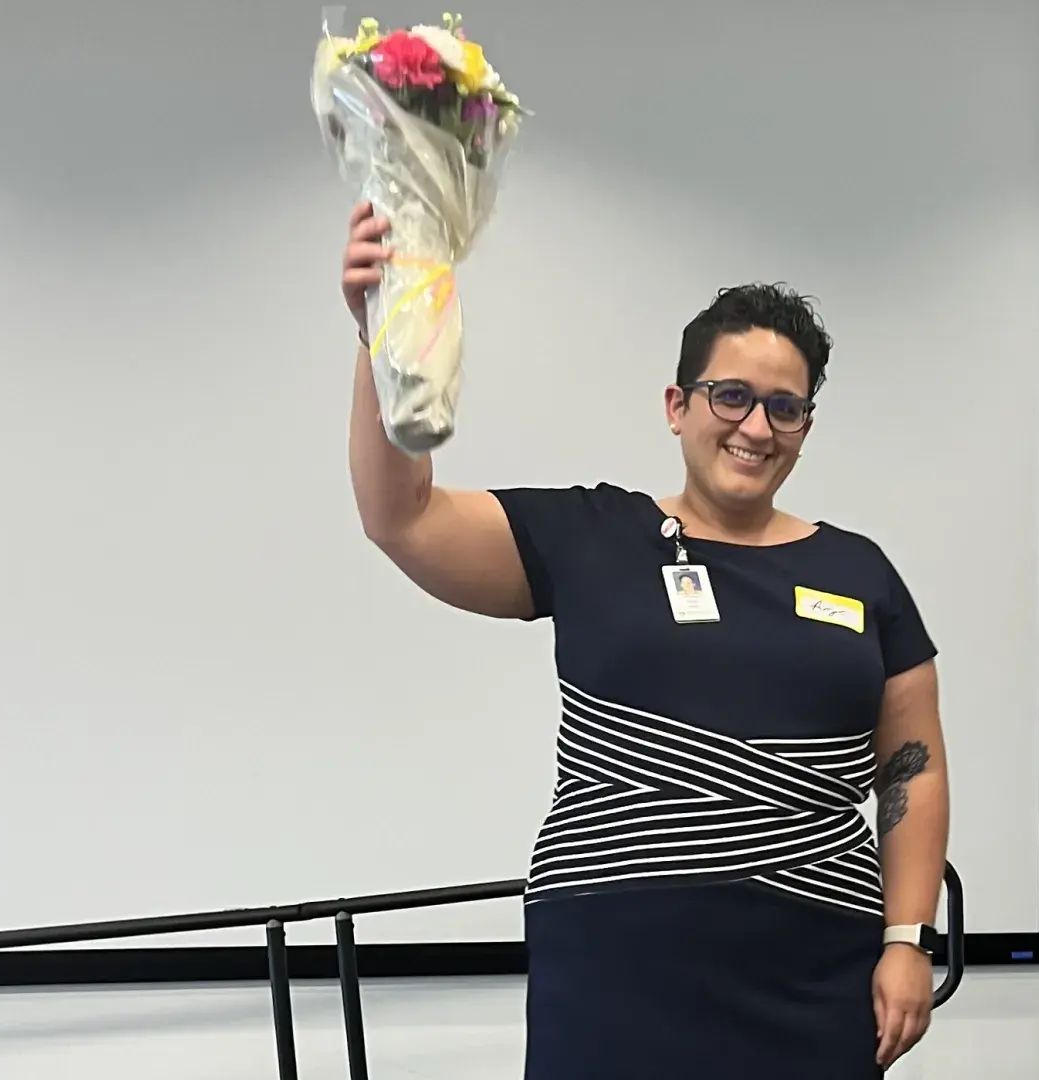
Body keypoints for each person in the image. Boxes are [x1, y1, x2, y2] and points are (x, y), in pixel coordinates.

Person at [339, 203, 951, 1078]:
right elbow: (399, 516)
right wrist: (382, 339)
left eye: (786, 408)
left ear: (806, 427)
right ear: (678, 405)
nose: (755, 427)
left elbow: (913, 770)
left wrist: (908, 939)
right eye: (730, 395)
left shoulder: (862, 572)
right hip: (612, 977)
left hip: (816, 975)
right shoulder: (592, 536)